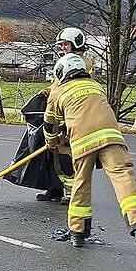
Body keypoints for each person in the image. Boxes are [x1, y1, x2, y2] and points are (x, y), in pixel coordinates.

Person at [44, 54, 136, 249]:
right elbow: (91, 109)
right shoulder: (96, 86)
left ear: (61, 73)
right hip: (111, 137)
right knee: (124, 179)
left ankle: (78, 231)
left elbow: (50, 122)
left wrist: (52, 141)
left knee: (81, 183)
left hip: (83, 141)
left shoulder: (58, 91)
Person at [36, 27, 95, 203]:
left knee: (65, 157)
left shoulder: (82, 63)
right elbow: (58, 85)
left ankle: (72, 194)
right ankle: (54, 188)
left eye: (65, 44)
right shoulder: (66, 61)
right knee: (52, 155)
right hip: (59, 113)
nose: (62, 48)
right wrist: (47, 92)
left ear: (76, 43)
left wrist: (64, 125)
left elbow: (74, 88)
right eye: (61, 45)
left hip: (71, 117)